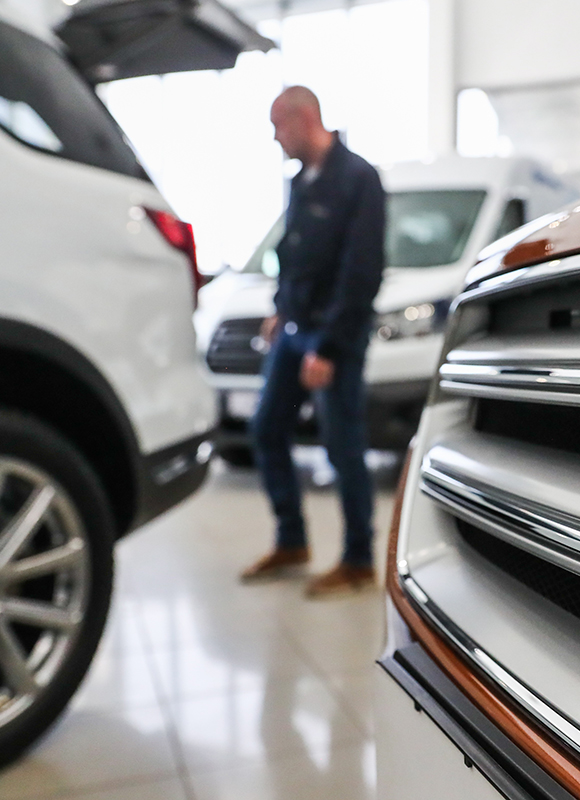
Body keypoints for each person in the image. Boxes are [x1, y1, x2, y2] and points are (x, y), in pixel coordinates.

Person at [240, 86, 386, 597]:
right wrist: (280, 308)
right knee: (266, 428)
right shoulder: (302, 181)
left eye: (278, 126)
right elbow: (294, 253)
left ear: (303, 119)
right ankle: (292, 541)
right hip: (294, 328)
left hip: (333, 335)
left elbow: (361, 271)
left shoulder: (358, 179)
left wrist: (330, 347)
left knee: (343, 447)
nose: (275, 138)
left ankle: (358, 560)